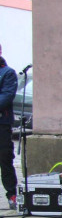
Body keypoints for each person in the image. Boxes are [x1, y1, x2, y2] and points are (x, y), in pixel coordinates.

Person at [0, 43, 18, 209]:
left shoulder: (8, 73)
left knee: (5, 160)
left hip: (1, 125)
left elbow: (6, 97)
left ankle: (12, 195)